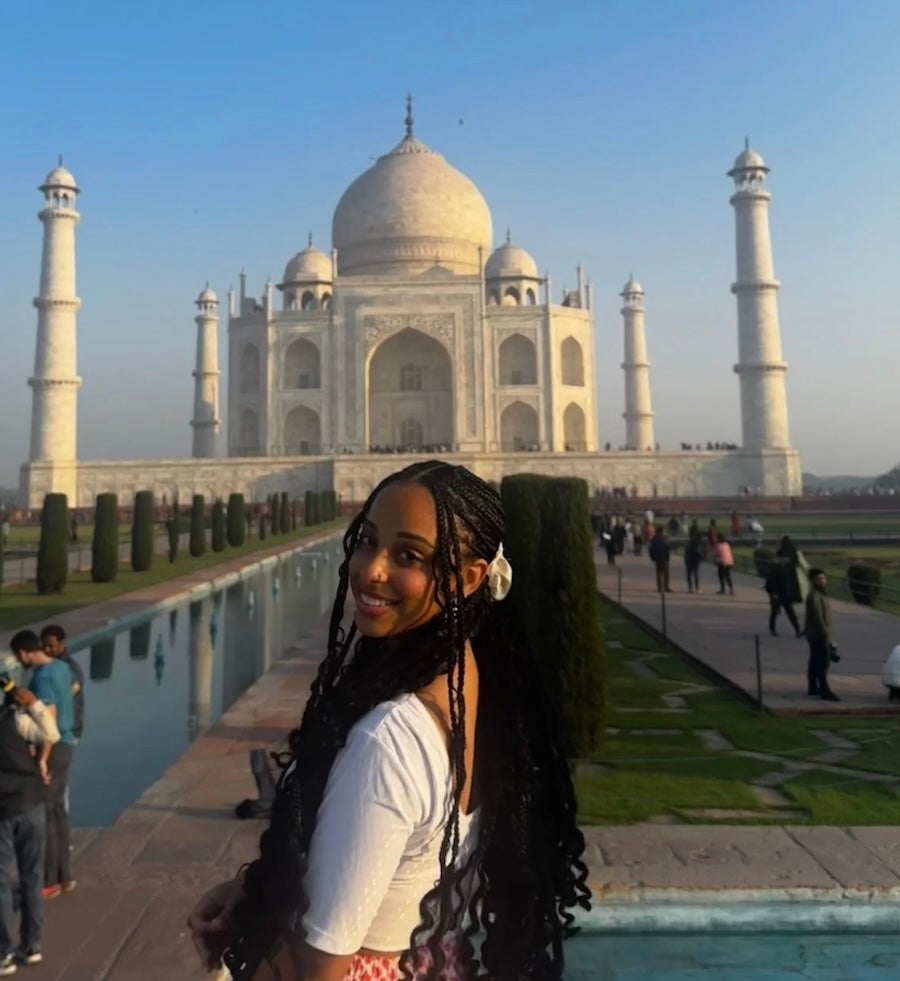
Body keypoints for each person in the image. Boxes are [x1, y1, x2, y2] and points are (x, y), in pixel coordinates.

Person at [188, 462, 590, 980]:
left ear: (470, 578)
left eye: (408, 555)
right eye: (367, 540)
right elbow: (400, 863)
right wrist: (261, 890)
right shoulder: (468, 677)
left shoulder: (390, 740)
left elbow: (323, 962)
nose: (371, 570)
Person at [9, 632, 76, 899]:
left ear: (25, 652)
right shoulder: (61, 667)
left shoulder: (42, 676)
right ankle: (64, 875)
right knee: (58, 812)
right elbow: (73, 690)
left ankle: (48, 881)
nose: (18, 660)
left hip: (54, 748)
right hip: (68, 743)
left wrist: (42, 760)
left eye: (17, 655)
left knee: (45, 815)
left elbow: (49, 717)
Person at [0, 672, 59, 974]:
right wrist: (34, 703)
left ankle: (3, 953)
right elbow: (52, 733)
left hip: (4, 809)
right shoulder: (14, 721)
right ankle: (32, 945)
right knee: (31, 877)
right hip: (31, 802)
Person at [39, 627, 84, 744]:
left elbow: (64, 697)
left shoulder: (70, 669)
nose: (46, 649)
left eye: (50, 645)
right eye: (43, 645)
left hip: (66, 732)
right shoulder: (47, 664)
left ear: (62, 643)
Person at [804, 569, 839, 701]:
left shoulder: (818, 595)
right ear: (813, 581)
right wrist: (827, 638)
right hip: (819, 635)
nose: (823, 581)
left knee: (814, 661)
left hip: (814, 634)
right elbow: (819, 619)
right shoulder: (815, 597)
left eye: (824, 578)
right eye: (819, 579)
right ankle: (824, 690)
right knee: (823, 663)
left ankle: (813, 687)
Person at [764, 561, 803, 638]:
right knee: (775, 613)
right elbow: (769, 583)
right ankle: (773, 629)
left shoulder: (788, 568)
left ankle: (797, 630)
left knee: (790, 613)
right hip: (777, 595)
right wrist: (773, 593)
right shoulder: (775, 569)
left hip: (785, 595)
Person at [648, 526, 672, 593]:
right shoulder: (664, 539)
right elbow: (668, 547)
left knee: (659, 573)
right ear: (661, 532)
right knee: (665, 574)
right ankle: (665, 587)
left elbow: (651, 549)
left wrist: (652, 557)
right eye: (663, 531)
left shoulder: (654, 539)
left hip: (658, 558)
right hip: (664, 558)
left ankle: (660, 588)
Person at [684, 523, 703, 593]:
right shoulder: (698, 540)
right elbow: (700, 550)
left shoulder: (689, 541)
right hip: (696, 558)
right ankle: (697, 588)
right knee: (696, 573)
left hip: (689, 558)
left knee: (689, 574)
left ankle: (690, 587)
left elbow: (686, 550)